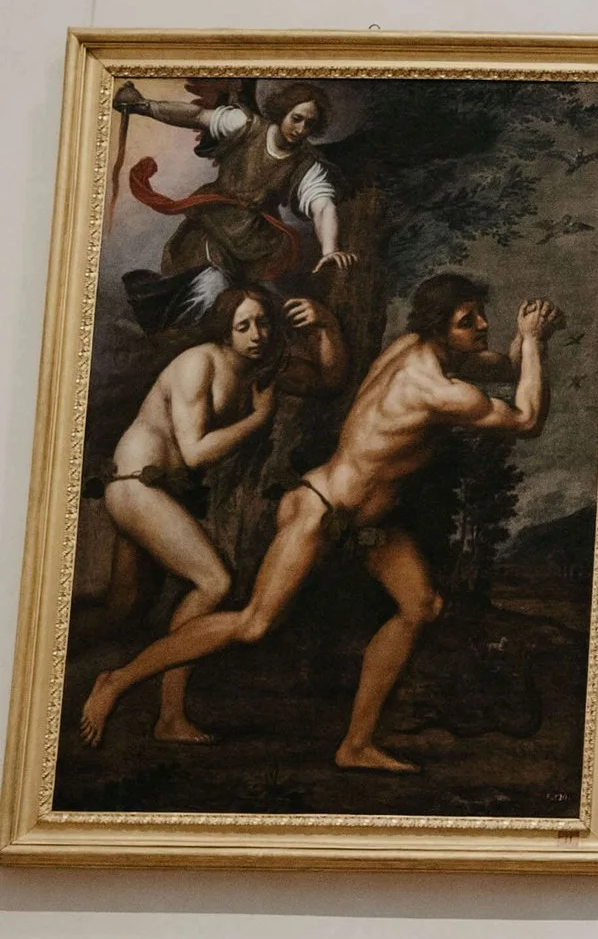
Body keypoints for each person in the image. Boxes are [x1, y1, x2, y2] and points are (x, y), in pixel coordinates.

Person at [78, 271, 558, 772]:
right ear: (441, 327)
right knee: (255, 623)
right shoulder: (433, 387)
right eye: (468, 319)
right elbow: (527, 419)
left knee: (420, 605)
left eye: (481, 314)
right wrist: (532, 342)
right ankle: (118, 680)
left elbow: (504, 366)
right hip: (321, 509)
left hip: (362, 520)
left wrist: (526, 340)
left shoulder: (419, 347)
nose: (482, 324)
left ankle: (354, 746)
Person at [99, 280, 345, 744]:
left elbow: (330, 381)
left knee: (125, 609)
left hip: (159, 493)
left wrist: (328, 325)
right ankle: (159, 708)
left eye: (264, 322)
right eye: (244, 325)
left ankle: (152, 708)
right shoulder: (201, 363)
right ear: (225, 330)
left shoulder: (258, 371)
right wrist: (258, 419)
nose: (258, 334)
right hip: (135, 486)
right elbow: (193, 453)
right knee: (214, 583)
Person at [115, 81, 357, 334]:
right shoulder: (246, 125)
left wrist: (331, 248)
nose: (301, 129)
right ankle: (173, 337)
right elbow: (197, 115)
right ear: (282, 110)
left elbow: (322, 206)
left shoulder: (307, 165)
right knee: (208, 288)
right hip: (211, 226)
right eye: (296, 118)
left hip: (254, 244)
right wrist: (144, 107)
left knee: (242, 305)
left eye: (309, 124)